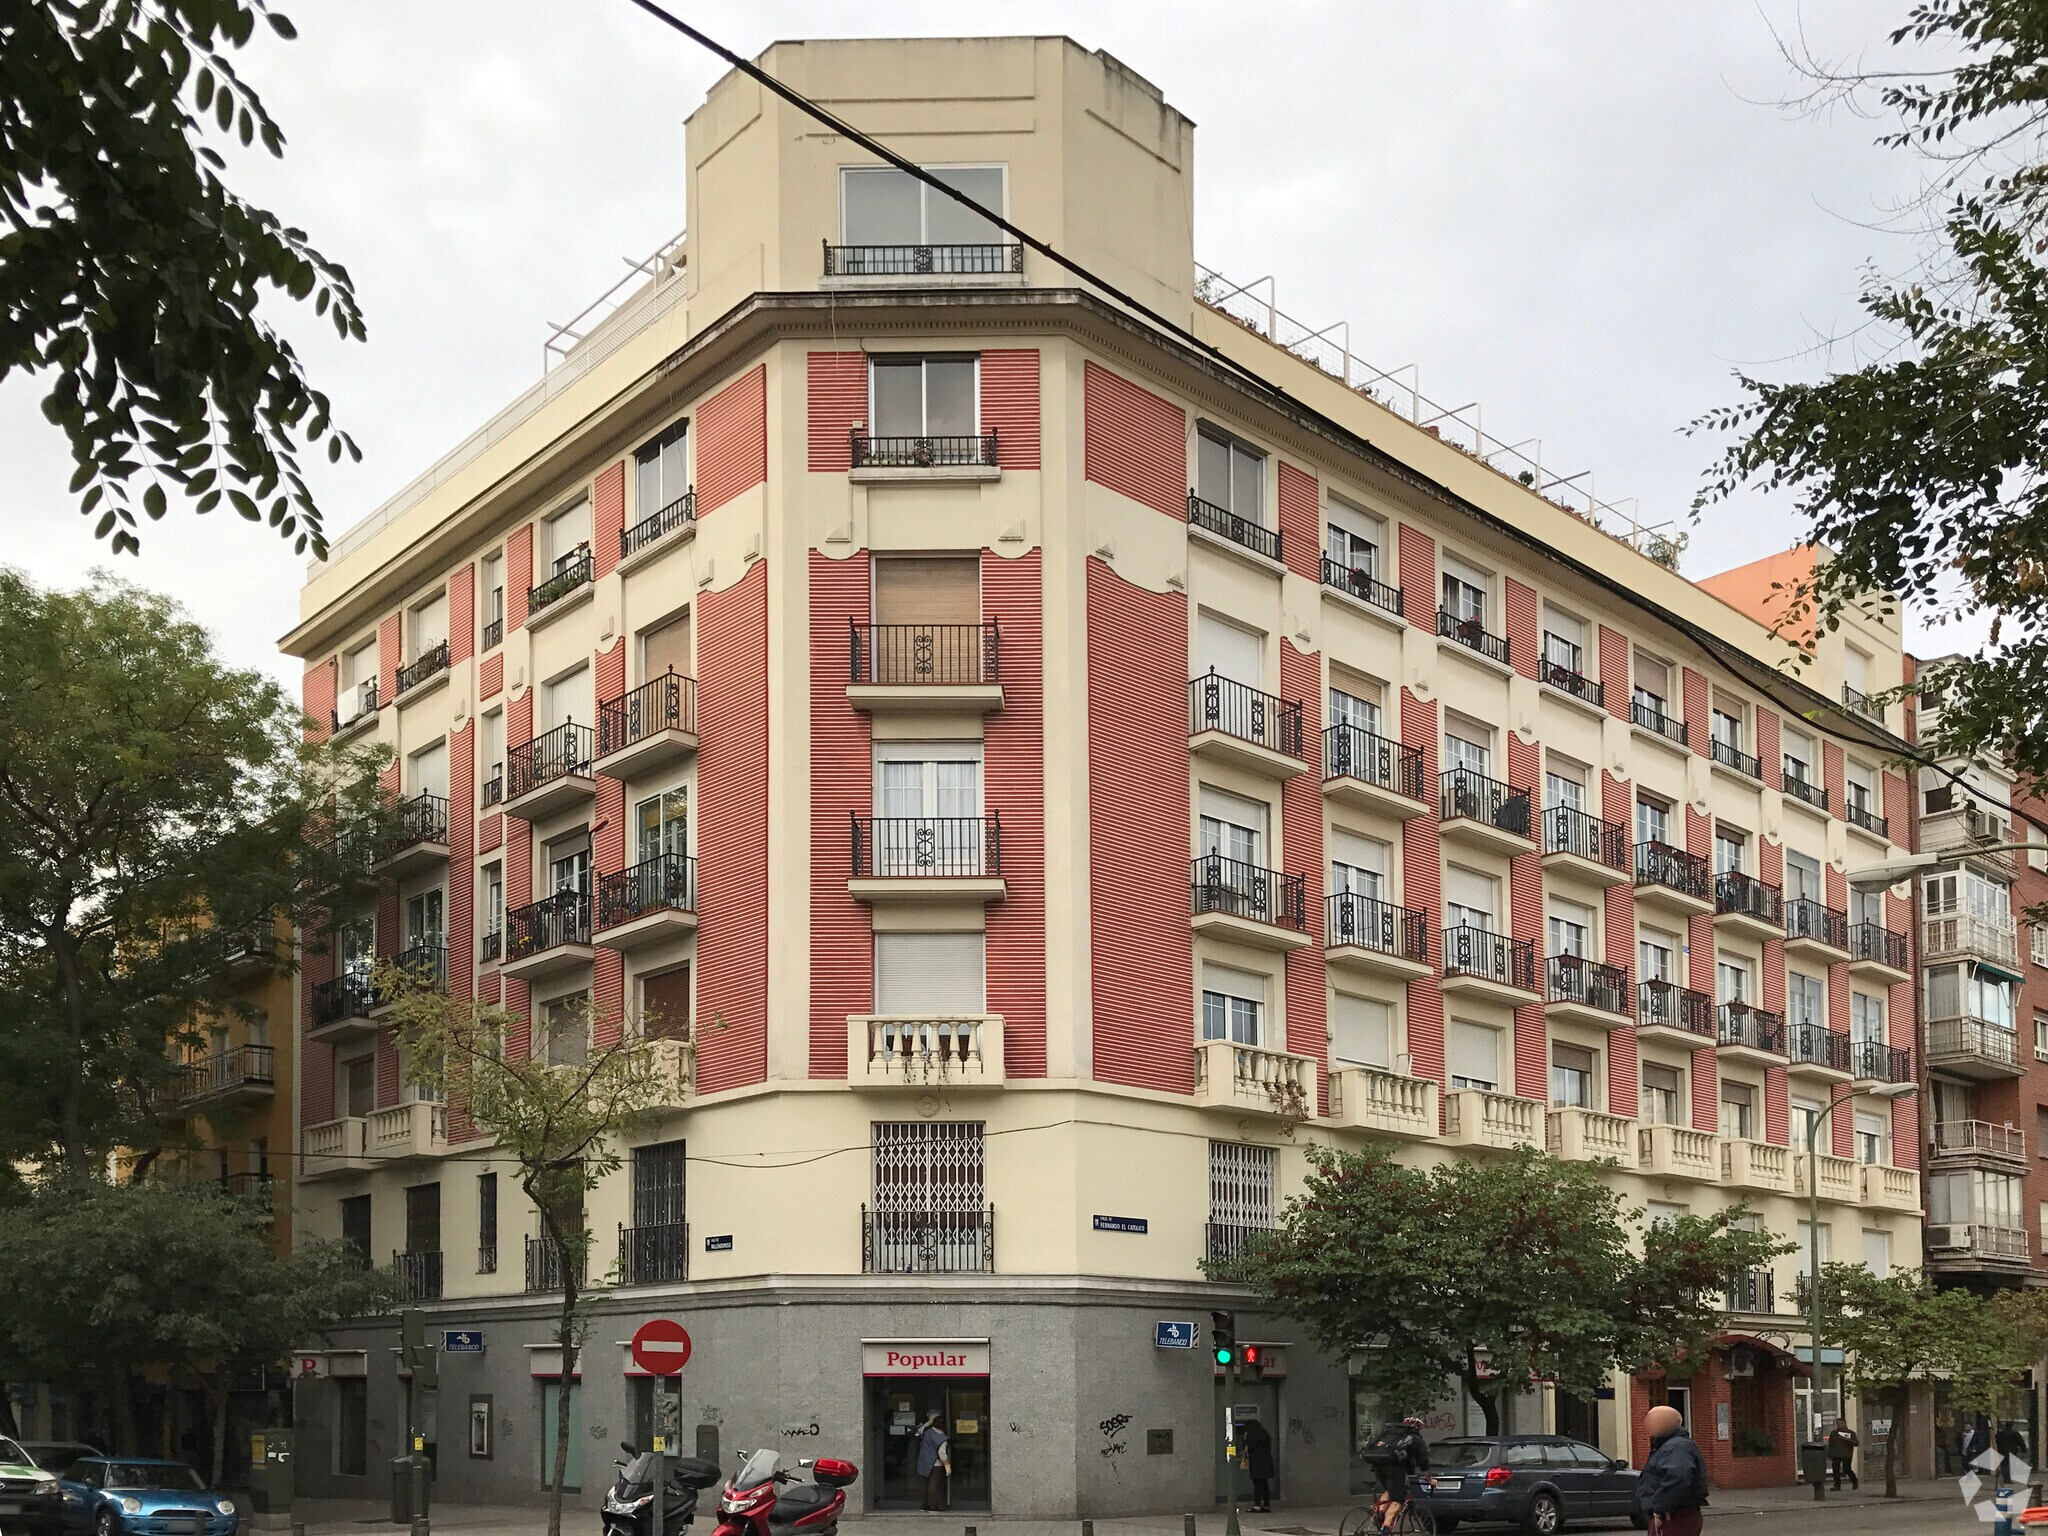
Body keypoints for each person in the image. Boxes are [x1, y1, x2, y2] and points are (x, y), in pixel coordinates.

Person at [1634, 1404, 1708, 1536]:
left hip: (1673, 1516)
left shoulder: (1676, 1446)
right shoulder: (1667, 1445)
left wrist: (1659, 1506)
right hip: (1672, 1515)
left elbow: (1679, 1476)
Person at [1369, 1416, 1429, 1532]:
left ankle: (1380, 1512)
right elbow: (1423, 1461)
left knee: (1390, 1490)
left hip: (1378, 1467)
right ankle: (1386, 1529)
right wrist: (1429, 1479)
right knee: (1398, 1500)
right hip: (1395, 1469)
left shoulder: (1389, 1435)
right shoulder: (1416, 1439)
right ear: (1418, 1428)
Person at [915, 1412, 950, 1512]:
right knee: (934, 1484)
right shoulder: (942, 1438)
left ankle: (924, 1504)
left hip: (924, 1461)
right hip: (936, 1463)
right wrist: (947, 1466)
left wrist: (928, 1423)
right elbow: (942, 1453)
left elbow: (919, 1430)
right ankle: (933, 1505)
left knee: (925, 1484)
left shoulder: (927, 1432)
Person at [1239, 1416, 1276, 1512]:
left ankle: (1257, 1505)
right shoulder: (1265, 1434)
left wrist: (1245, 1440)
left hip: (1257, 1462)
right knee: (1264, 1484)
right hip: (1266, 1462)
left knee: (1257, 1484)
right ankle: (1266, 1505)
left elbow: (1249, 1448)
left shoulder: (1252, 1435)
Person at [1826, 1418, 1859, 1491]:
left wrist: (1848, 1440)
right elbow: (1830, 1444)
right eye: (1838, 1424)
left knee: (1847, 1469)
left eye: (1841, 1423)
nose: (1839, 1425)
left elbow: (1856, 1443)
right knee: (1836, 1470)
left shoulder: (1850, 1433)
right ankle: (1837, 1485)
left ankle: (1854, 1481)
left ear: (1844, 1423)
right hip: (1836, 1454)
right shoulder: (1834, 1433)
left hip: (1846, 1454)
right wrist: (1829, 1454)